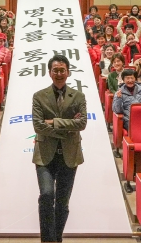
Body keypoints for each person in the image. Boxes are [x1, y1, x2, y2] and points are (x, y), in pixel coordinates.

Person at [31, 55, 87, 243]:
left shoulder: (78, 96)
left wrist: (53, 122)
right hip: (45, 154)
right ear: (50, 73)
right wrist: (67, 128)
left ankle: (57, 238)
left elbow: (82, 123)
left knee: (62, 203)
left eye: (62, 70)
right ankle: (48, 240)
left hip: (69, 155)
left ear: (68, 72)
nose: (59, 74)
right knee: (47, 195)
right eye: (55, 70)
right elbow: (38, 126)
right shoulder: (39, 96)